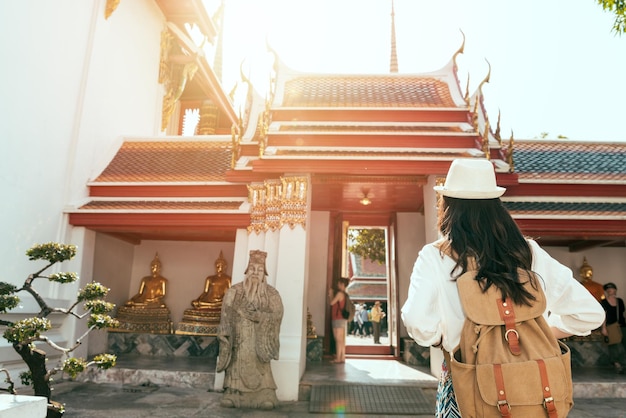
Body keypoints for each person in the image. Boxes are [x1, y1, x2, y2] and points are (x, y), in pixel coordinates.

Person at [401, 158, 605, 416]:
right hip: (533, 393)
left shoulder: (435, 256)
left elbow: (418, 321)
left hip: (466, 387)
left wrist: (445, 338)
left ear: (448, 205)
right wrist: (538, 333)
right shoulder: (528, 252)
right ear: (496, 206)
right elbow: (590, 314)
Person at [217, 250, 283, 410]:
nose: (255, 273)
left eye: (259, 270)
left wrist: (260, 316)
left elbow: (277, 314)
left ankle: (265, 395)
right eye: (252, 269)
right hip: (239, 340)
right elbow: (225, 312)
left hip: (259, 341)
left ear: (264, 274)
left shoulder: (271, 294)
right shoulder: (235, 291)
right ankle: (232, 394)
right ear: (247, 271)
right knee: (236, 364)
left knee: (261, 365)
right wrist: (228, 324)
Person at [600, 282, 626, 373]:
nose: (610, 290)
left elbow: (623, 313)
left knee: (623, 344)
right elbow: (604, 315)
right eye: (608, 289)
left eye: (612, 288)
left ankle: (623, 364)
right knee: (614, 345)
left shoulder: (620, 301)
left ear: (615, 290)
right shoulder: (604, 302)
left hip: (621, 325)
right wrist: (604, 328)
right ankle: (617, 363)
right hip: (611, 326)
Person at [328, 277, 349, 363]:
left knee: (338, 339)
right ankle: (342, 357)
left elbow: (331, 303)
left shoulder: (340, 294)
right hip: (341, 318)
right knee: (341, 340)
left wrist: (331, 294)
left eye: (339, 284)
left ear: (342, 284)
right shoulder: (345, 294)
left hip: (337, 318)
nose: (338, 285)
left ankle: (338, 358)